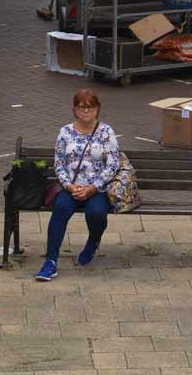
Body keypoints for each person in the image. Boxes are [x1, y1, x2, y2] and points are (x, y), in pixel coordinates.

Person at [37, 89, 121, 281]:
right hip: (72, 188)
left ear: (97, 108)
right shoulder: (65, 132)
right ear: (75, 109)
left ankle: (93, 241)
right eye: (81, 107)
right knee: (60, 208)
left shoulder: (106, 132)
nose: (86, 111)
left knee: (97, 213)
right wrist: (68, 185)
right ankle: (50, 262)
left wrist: (93, 187)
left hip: (97, 188)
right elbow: (59, 163)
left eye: (90, 107)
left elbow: (113, 164)